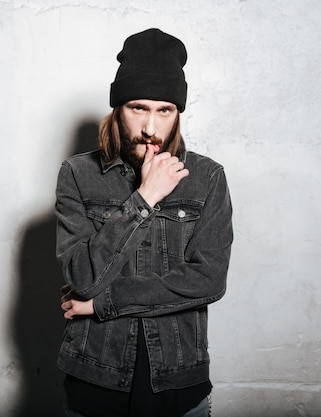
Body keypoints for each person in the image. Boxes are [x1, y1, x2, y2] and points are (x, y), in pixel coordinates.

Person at [55, 28, 233, 417]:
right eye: (138, 108)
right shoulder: (77, 174)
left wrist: (102, 303)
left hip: (178, 379)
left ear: (177, 114)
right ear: (117, 108)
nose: (151, 128)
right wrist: (145, 198)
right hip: (94, 378)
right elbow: (82, 276)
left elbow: (208, 280)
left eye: (164, 110)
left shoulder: (208, 178)